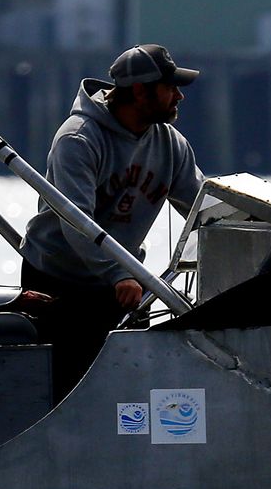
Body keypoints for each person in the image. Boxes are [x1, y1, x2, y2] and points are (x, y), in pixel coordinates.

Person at [20, 43, 206, 399]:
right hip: (59, 280)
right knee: (68, 385)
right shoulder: (78, 140)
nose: (179, 96)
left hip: (117, 280)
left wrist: (248, 230)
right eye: (171, 87)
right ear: (140, 92)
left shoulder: (170, 144)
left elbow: (202, 209)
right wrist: (119, 273)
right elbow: (75, 221)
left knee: (120, 386)